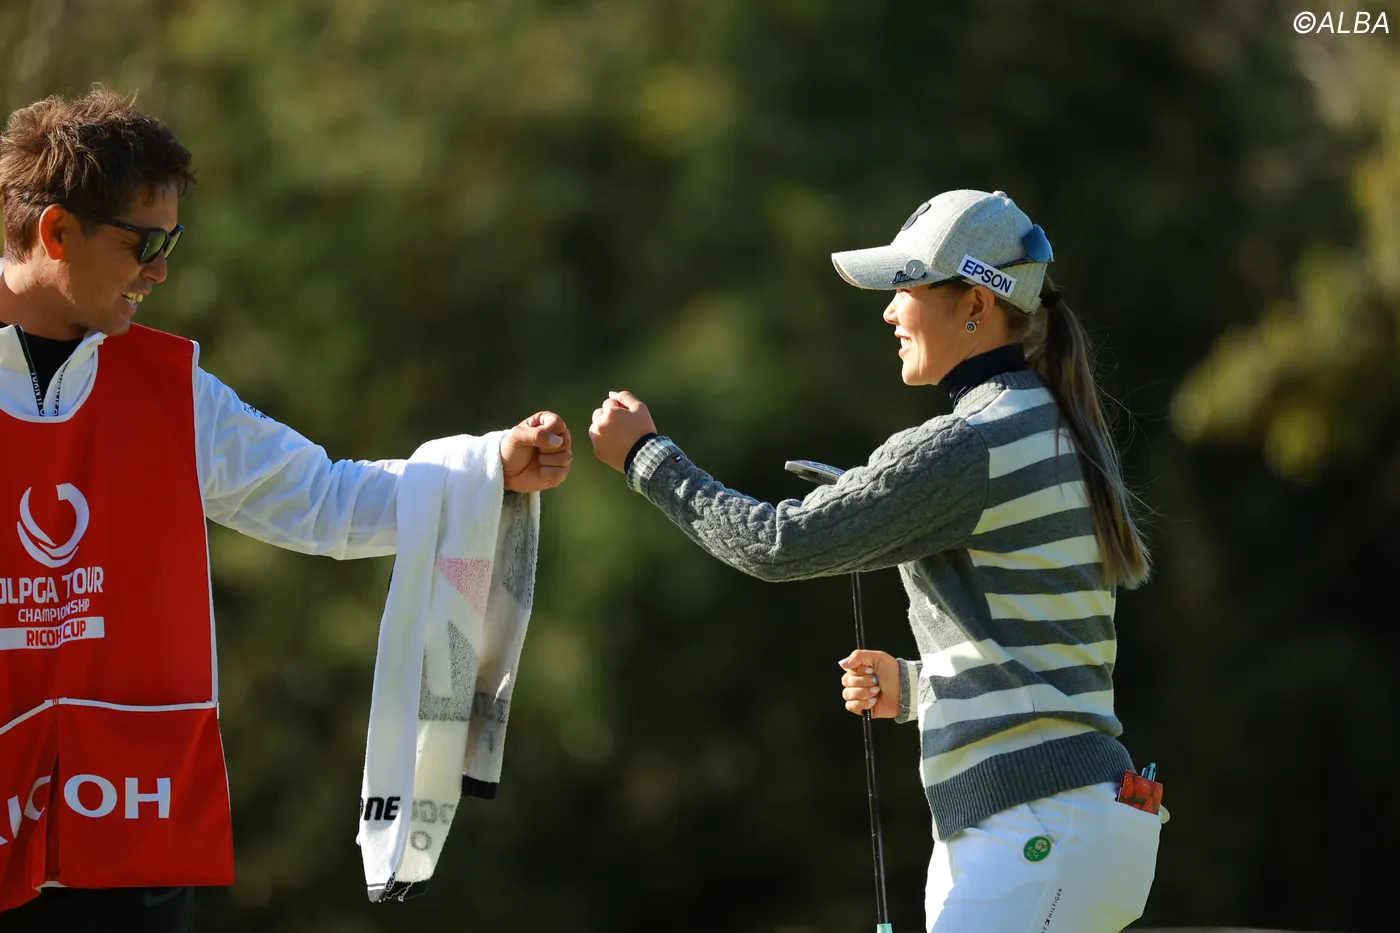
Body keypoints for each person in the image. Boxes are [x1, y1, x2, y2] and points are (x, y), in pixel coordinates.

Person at [0, 86, 572, 931]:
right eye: (145, 243)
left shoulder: (172, 389)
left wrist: (487, 468)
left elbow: (325, 499)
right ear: (56, 232)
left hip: (129, 845)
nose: (160, 270)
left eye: (172, 243)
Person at [588, 189, 1160, 932]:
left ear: (976, 304)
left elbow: (778, 543)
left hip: (1031, 834)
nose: (889, 312)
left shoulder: (972, 442)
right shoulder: (1058, 426)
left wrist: (647, 458)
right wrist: (919, 687)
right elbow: (1044, 649)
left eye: (905, 287)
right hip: (1074, 826)